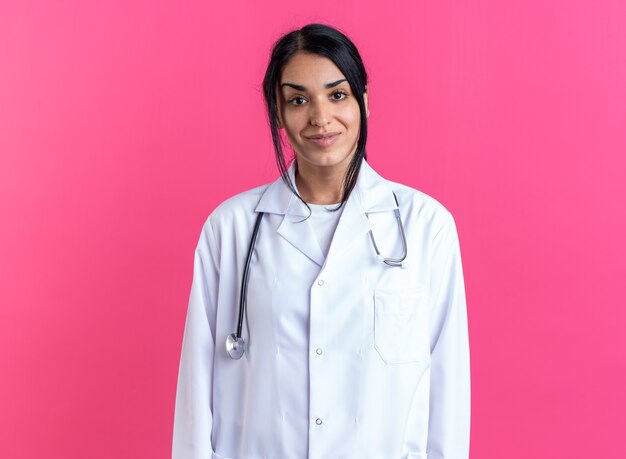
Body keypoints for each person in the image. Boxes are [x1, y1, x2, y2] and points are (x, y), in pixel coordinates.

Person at [172, 23, 470, 459]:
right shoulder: (231, 229)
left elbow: (447, 388)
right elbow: (197, 389)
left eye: (337, 95)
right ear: (277, 112)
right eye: (298, 100)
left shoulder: (427, 227)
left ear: (364, 101)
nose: (320, 118)